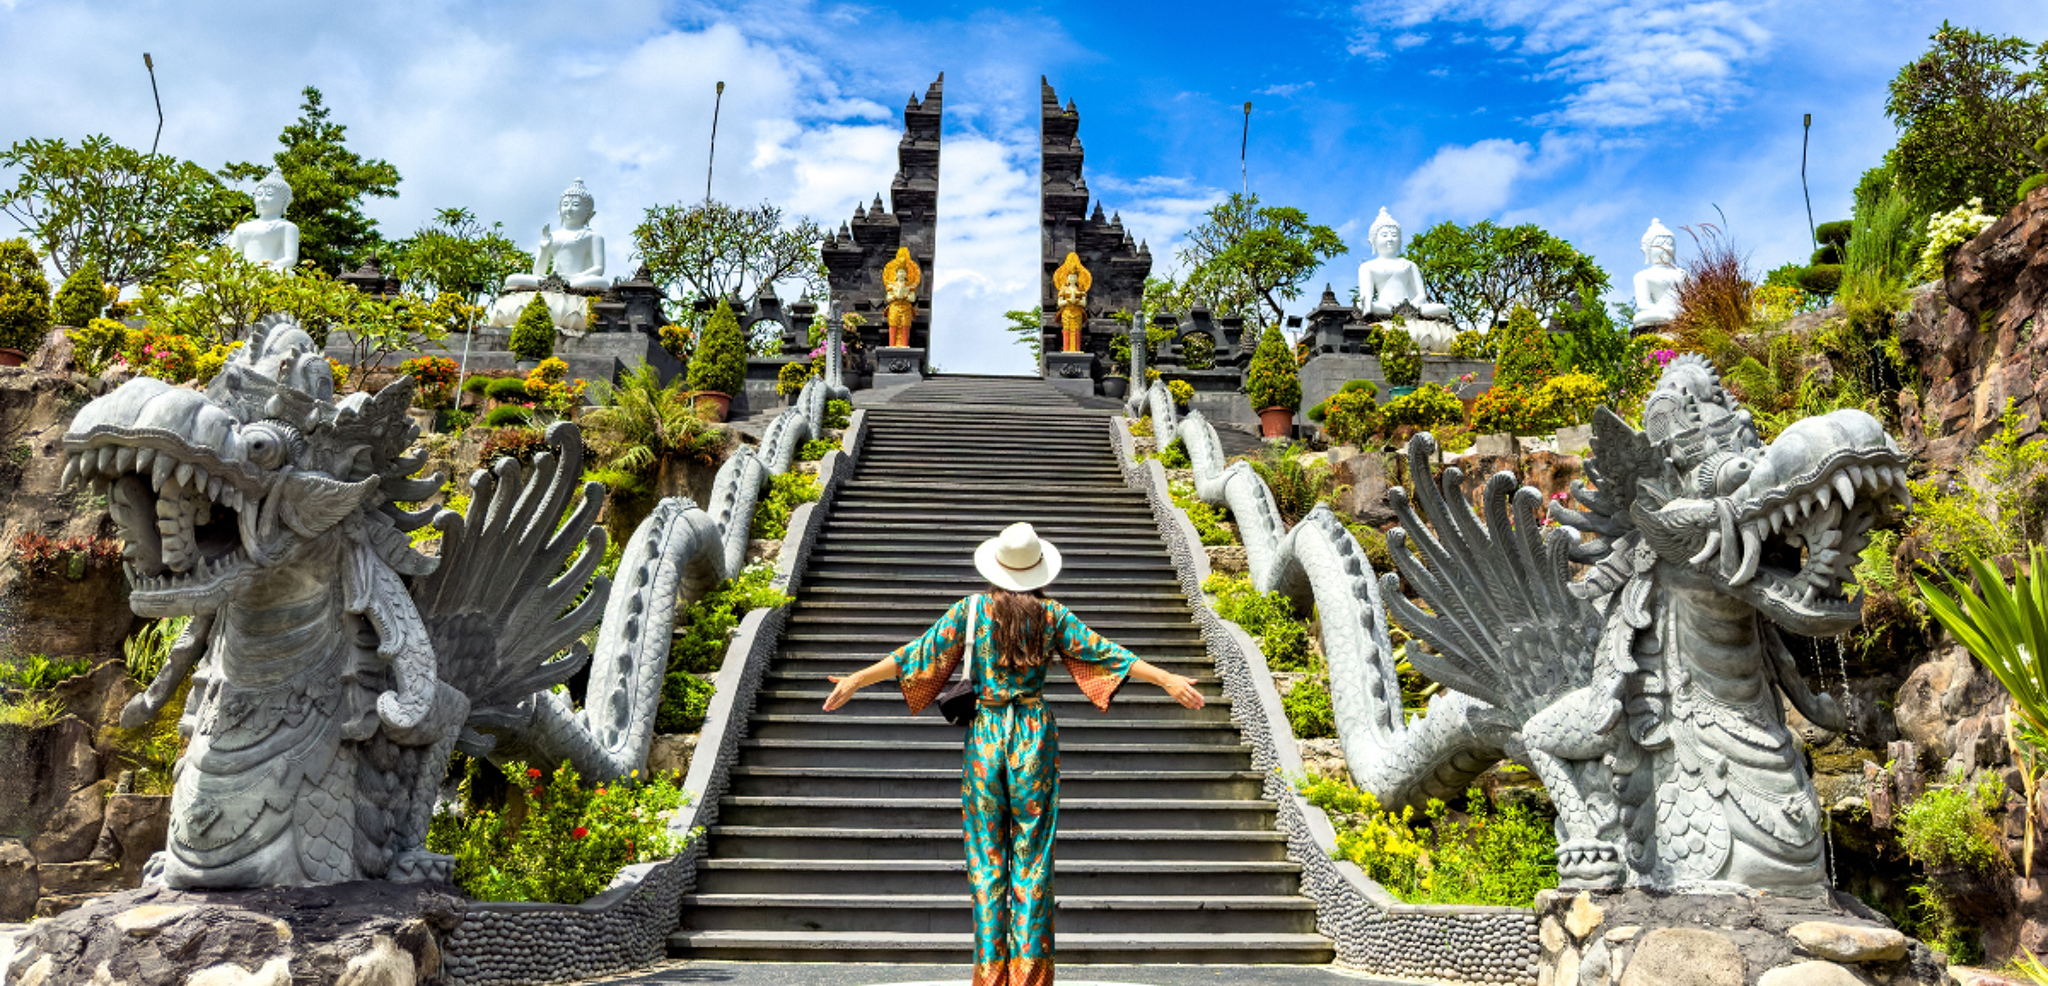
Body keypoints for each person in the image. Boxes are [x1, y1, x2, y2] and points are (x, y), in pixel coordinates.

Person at [823, 521, 1205, 986]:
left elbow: (914, 656)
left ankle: (990, 973)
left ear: (995, 567)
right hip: (1033, 735)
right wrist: (1167, 679)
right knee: (1034, 854)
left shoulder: (969, 611)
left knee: (985, 856)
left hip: (985, 736)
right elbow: (1107, 654)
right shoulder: (1052, 617)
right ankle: (1029, 976)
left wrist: (856, 679)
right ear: (1039, 571)